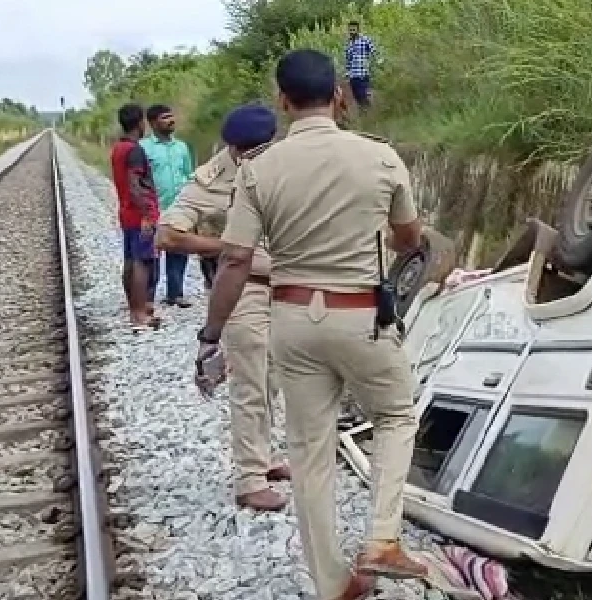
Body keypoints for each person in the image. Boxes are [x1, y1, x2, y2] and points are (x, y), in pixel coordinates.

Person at [195, 48, 427, 600]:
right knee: (395, 415)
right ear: (340, 97)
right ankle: (381, 540)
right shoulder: (380, 158)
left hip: (292, 320)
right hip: (361, 319)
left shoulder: (258, 169)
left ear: (282, 101)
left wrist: (210, 334)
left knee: (309, 451)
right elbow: (411, 239)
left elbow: (233, 259)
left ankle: (332, 584)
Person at [155, 104, 290, 512]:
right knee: (250, 377)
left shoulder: (289, 163)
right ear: (231, 146)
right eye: (242, 149)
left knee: (272, 378)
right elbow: (166, 235)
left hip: (289, 287)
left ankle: (263, 459)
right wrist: (232, 248)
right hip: (243, 287)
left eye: (258, 148)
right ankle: (250, 481)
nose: (249, 156)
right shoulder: (214, 177)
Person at [111, 103, 161, 331]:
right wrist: (148, 215)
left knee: (131, 260)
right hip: (139, 214)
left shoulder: (118, 148)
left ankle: (133, 307)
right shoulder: (135, 150)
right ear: (140, 123)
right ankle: (139, 314)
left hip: (126, 212)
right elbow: (135, 185)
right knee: (143, 262)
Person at [141, 104, 194, 308]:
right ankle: (147, 297)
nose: (171, 120)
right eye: (165, 117)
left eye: (172, 116)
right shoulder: (144, 148)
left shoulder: (182, 147)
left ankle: (176, 293)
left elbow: (189, 174)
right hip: (155, 209)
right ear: (153, 123)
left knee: (179, 251)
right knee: (152, 253)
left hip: (180, 208)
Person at [345, 20, 378, 110]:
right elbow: (348, 60)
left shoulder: (365, 40)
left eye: (354, 30)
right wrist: (347, 74)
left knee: (363, 96)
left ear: (358, 30)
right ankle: (365, 117)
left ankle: (368, 114)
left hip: (363, 74)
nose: (352, 32)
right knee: (357, 98)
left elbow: (374, 52)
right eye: (350, 30)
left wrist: (376, 64)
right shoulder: (349, 43)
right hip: (353, 76)